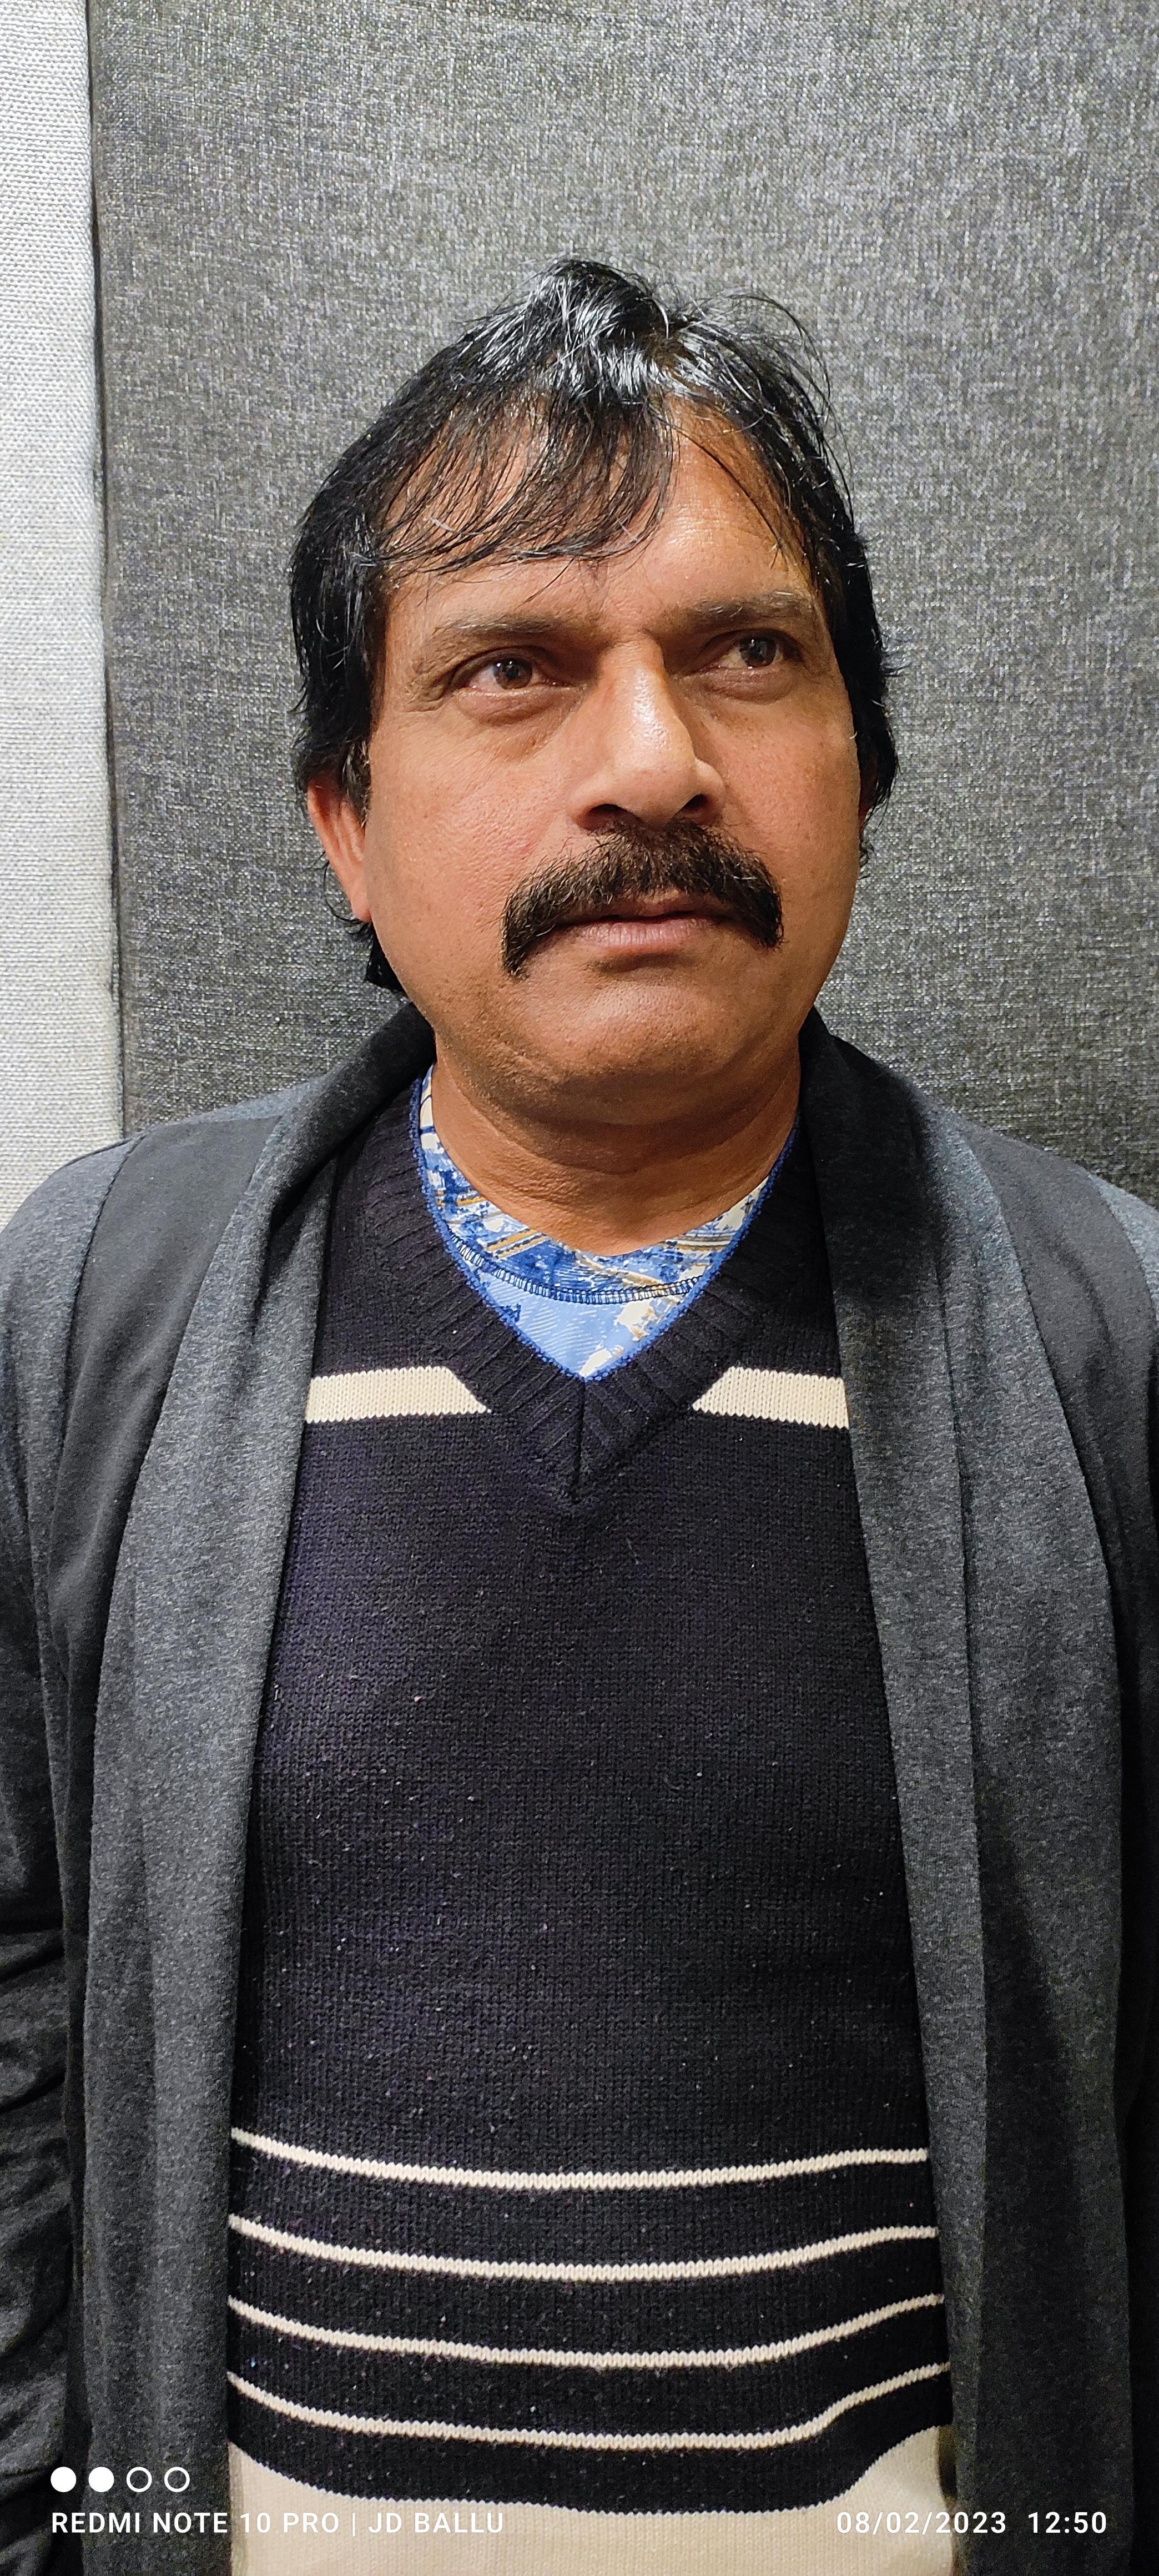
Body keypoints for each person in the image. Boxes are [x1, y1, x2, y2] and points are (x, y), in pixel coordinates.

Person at [0, 259, 1155, 2576]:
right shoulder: (98, 1304)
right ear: (344, 820)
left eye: (749, 655)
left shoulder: (1102, 1334)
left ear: (859, 770)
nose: (651, 759)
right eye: (512, 666)